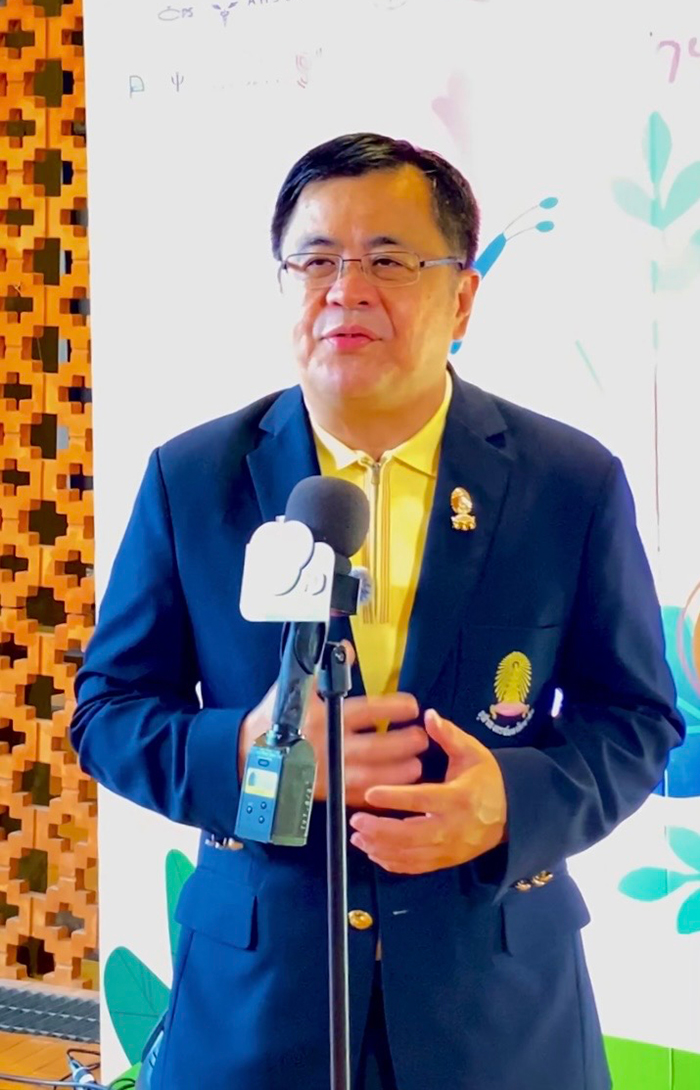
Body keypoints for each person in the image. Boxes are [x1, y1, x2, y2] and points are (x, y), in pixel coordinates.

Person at [70, 132, 683, 1090]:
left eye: (389, 261)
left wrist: (508, 803)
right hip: (256, 1008)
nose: (346, 290)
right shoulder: (192, 478)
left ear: (463, 296)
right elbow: (107, 711)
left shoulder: (569, 483)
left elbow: (637, 718)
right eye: (315, 260)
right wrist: (248, 752)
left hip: (498, 1009)